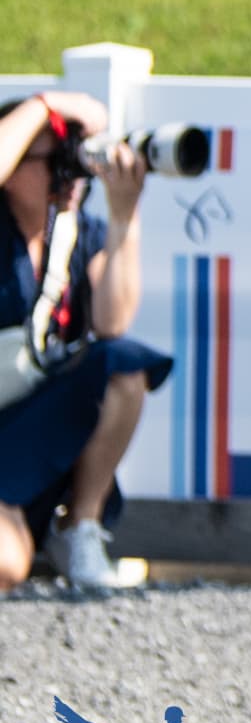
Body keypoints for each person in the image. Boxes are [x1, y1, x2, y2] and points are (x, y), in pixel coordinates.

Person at [0, 92, 162, 596]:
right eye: (53, 160)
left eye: (77, 159)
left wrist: (123, 218)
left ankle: (79, 527)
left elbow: (113, 322)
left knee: (124, 364)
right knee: (5, 568)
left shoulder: (75, 231)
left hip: (34, 429)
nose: (69, 175)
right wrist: (44, 105)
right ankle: (28, 538)